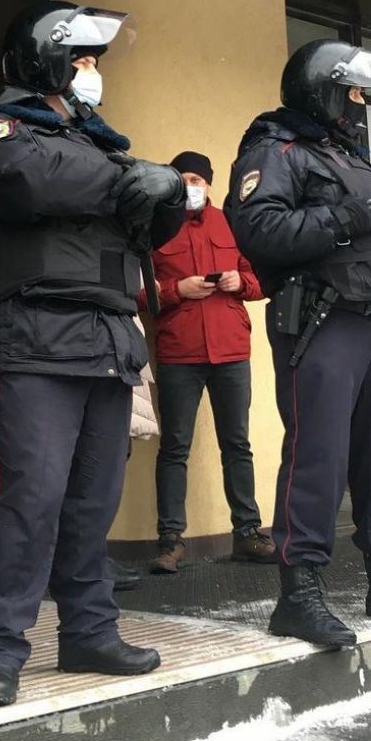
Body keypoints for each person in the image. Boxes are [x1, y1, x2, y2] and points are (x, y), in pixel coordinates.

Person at [0, 0, 186, 708]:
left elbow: (153, 224)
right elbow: (31, 180)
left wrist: (166, 191)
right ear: (47, 60)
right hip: (36, 336)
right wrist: (135, 178)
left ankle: (88, 632)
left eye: (96, 63)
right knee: (30, 500)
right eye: (83, 60)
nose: (93, 75)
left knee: (94, 503)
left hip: (109, 339)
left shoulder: (99, 147)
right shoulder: (1, 131)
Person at [226, 40, 371, 649]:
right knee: (319, 457)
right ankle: (299, 593)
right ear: (323, 88)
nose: (359, 103)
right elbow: (256, 228)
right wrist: (339, 220)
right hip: (321, 319)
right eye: (353, 90)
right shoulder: (275, 149)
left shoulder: (348, 157)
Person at [140, 149, 274, 574]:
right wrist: (179, 288)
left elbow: (262, 279)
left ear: (210, 185)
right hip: (179, 352)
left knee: (237, 445)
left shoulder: (231, 221)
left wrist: (241, 282)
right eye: (184, 179)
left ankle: (248, 533)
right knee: (174, 448)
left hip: (231, 350)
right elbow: (139, 294)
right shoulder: (156, 226)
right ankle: (171, 541)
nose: (191, 187)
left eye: (198, 179)